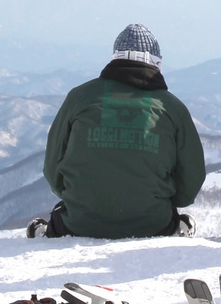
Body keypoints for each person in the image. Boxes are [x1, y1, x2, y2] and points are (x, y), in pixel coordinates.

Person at [27, 24, 206, 239]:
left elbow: (52, 166)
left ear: (115, 58)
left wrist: (73, 196)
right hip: (153, 224)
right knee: (174, 219)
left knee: (58, 219)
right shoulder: (172, 108)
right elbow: (192, 179)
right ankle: (180, 227)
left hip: (79, 224)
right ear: (157, 63)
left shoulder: (79, 98)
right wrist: (164, 202)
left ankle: (43, 232)